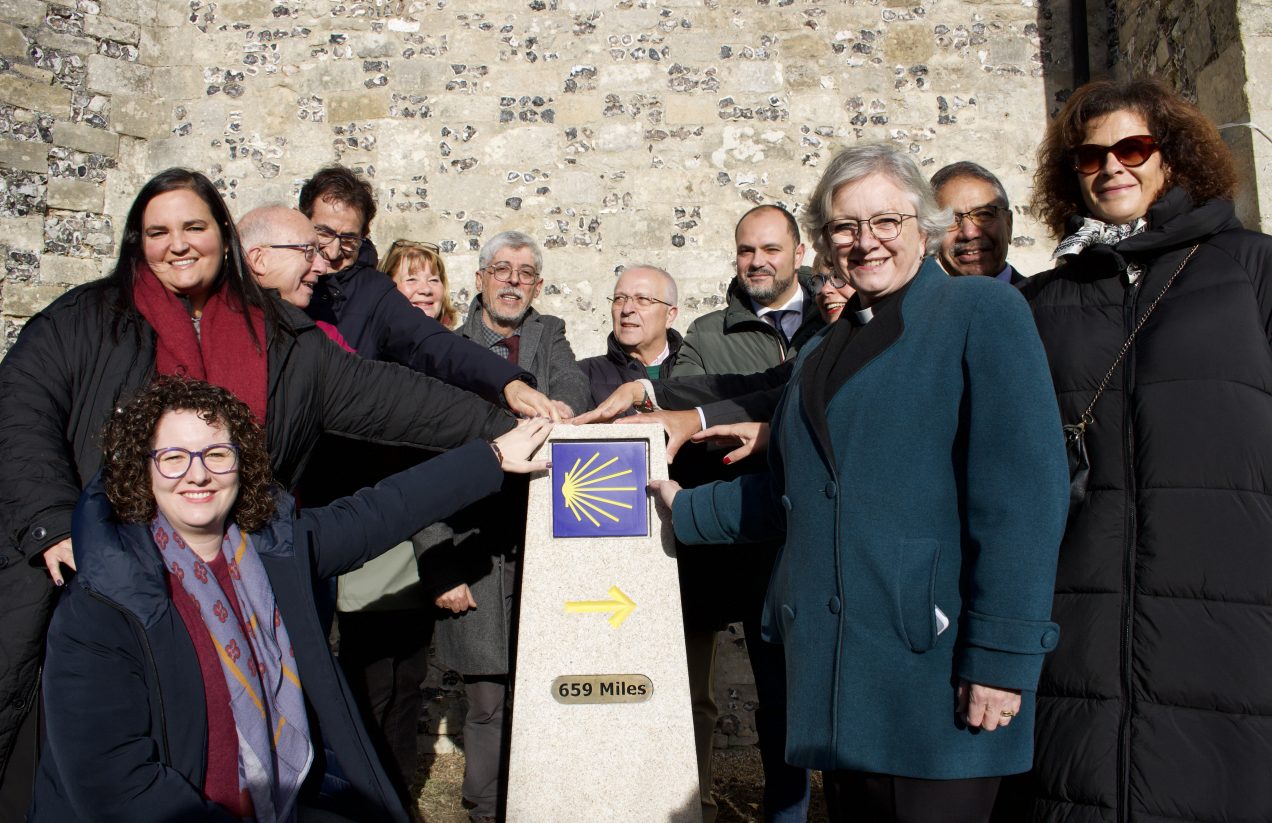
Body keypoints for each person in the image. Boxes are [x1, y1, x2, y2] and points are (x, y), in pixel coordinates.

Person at [0, 168, 518, 815]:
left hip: (232, 574)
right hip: (93, 570)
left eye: (194, 227)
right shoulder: (88, 319)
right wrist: (53, 521)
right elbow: (21, 404)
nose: (179, 243)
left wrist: (509, 422)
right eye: (159, 230)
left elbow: (400, 400)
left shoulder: (286, 345)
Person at [652, 143, 1069, 823]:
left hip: (934, 674)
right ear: (824, 241)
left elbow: (1024, 498)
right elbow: (798, 492)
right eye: (846, 226)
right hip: (842, 679)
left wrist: (1000, 656)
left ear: (922, 225)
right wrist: (684, 510)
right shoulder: (824, 347)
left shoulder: (980, 313)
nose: (865, 241)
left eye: (886, 221)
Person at [29, 377, 551, 822]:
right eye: (172, 457)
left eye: (216, 453)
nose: (197, 473)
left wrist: (493, 456)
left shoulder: (274, 551)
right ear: (141, 469)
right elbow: (114, 783)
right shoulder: (105, 598)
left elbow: (379, 511)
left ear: (243, 463)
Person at [1010, 78, 1272, 823]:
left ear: (1173, 157)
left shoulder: (1252, 272)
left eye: (1132, 147)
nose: (1111, 167)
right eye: (1090, 155)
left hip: (1233, 616)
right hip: (1080, 621)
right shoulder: (1041, 304)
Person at [422, 230, 590, 823]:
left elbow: (570, 386)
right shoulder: (446, 349)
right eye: (501, 269)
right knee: (488, 704)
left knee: (548, 697)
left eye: (525, 272)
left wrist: (559, 406)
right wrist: (440, 564)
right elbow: (425, 469)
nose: (513, 280)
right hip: (475, 554)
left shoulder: (551, 336)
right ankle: (483, 811)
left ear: (538, 286)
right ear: (480, 280)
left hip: (543, 549)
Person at [298, 164, 557, 417]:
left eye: (348, 240)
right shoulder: (273, 282)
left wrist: (506, 381)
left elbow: (434, 344)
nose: (332, 252)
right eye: (323, 232)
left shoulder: (373, 293)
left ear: (363, 236)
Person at [930, 162, 1025, 283]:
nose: (969, 233)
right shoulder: (918, 302)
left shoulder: (1043, 300)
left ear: (1008, 224)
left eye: (984, 214)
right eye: (950, 220)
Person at [381, 238, 459, 327]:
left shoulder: (456, 339)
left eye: (433, 280)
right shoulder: (368, 338)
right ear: (387, 285)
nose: (426, 290)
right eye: (412, 279)